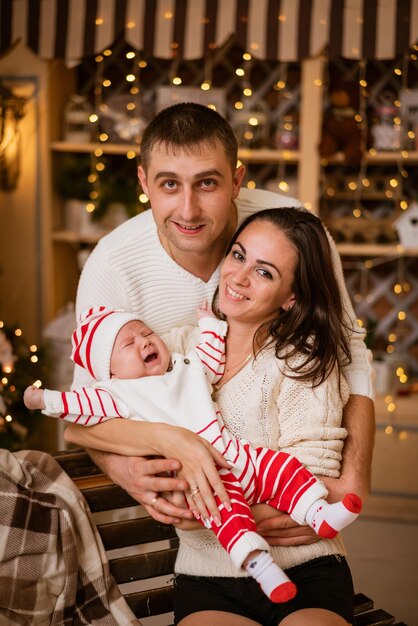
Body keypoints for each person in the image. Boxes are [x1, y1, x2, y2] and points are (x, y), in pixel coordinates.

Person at [66, 101, 375, 542]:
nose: (188, 210)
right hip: (186, 509)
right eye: (169, 184)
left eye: (207, 183)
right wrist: (132, 469)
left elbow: (350, 351)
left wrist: (353, 481)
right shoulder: (112, 265)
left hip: (286, 486)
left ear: (236, 179)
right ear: (144, 183)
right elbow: (82, 412)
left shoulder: (291, 231)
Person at [64, 207, 363, 624]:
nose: (238, 277)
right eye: (238, 256)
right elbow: (81, 422)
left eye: (265, 273)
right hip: (208, 578)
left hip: (306, 566)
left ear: (291, 296)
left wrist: (209, 515)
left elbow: (312, 481)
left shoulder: (302, 361)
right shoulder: (174, 348)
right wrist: (172, 442)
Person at [25, 294, 362, 605]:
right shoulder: (118, 394)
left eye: (145, 333)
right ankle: (263, 568)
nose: (144, 341)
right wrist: (44, 400)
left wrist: (209, 323)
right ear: (110, 371)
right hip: (206, 476)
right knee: (228, 515)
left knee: (279, 468)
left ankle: (318, 513)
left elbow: (211, 359)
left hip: (235, 452)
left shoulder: (183, 366)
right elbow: (78, 405)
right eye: (129, 343)